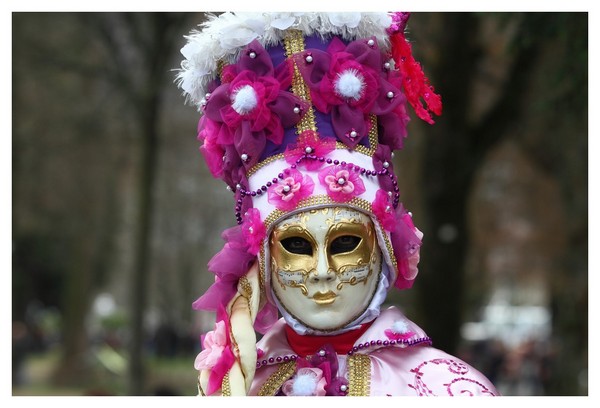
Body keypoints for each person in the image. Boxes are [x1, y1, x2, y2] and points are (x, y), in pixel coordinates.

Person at [176, 12, 499, 396]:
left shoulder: (446, 389)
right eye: (296, 246)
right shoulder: (240, 385)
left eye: (345, 242)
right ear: (262, 258)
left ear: (382, 245)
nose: (322, 272)